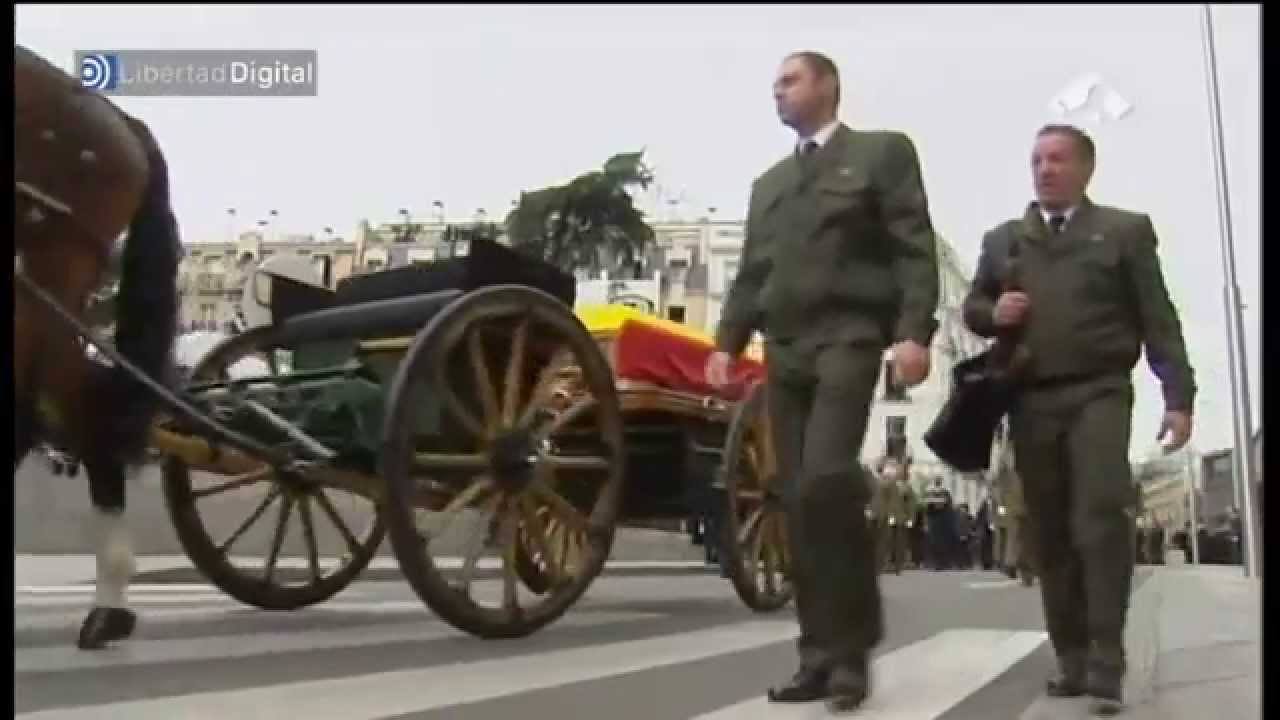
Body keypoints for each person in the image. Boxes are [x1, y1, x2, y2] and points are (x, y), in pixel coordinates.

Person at [705, 49, 939, 713]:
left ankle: (850, 649)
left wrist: (915, 332)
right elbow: (753, 272)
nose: (776, 93)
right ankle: (817, 656)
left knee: (828, 478)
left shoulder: (880, 154)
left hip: (850, 336)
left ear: (828, 85)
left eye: (789, 80)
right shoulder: (769, 184)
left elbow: (912, 245)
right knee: (796, 497)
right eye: (774, 84)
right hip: (786, 348)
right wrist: (726, 343)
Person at [962, 124, 1195, 715]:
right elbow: (973, 310)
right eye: (1037, 159)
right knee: (1050, 531)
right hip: (1031, 397)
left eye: (1058, 159)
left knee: (1098, 513)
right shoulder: (1005, 241)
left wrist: (1179, 396)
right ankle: (1069, 656)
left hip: (1100, 390)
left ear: (1086, 169)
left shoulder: (1122, 232)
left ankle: (1105, 658)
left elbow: (1157, 317)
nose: (1044, 169)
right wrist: (996, 311)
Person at [876, 456, 916, 574]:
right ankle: (886, 563)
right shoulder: (883, 484)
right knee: (885, 542)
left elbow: (911, 504)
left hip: (900, 518)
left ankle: (898, 564)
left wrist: (911, 518)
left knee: (899, 542)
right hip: (885, 517)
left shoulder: (904, 486)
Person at [923, 477, 953, 570]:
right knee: (934, 543)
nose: (937, 482)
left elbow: (949, 506)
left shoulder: (945, 492)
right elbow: (926, 507)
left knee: (943, 543)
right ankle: (935, 563)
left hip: (942, 520)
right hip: (934, 519)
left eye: (939, 481)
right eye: (936, 481)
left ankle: (944, 563)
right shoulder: (930, 492)